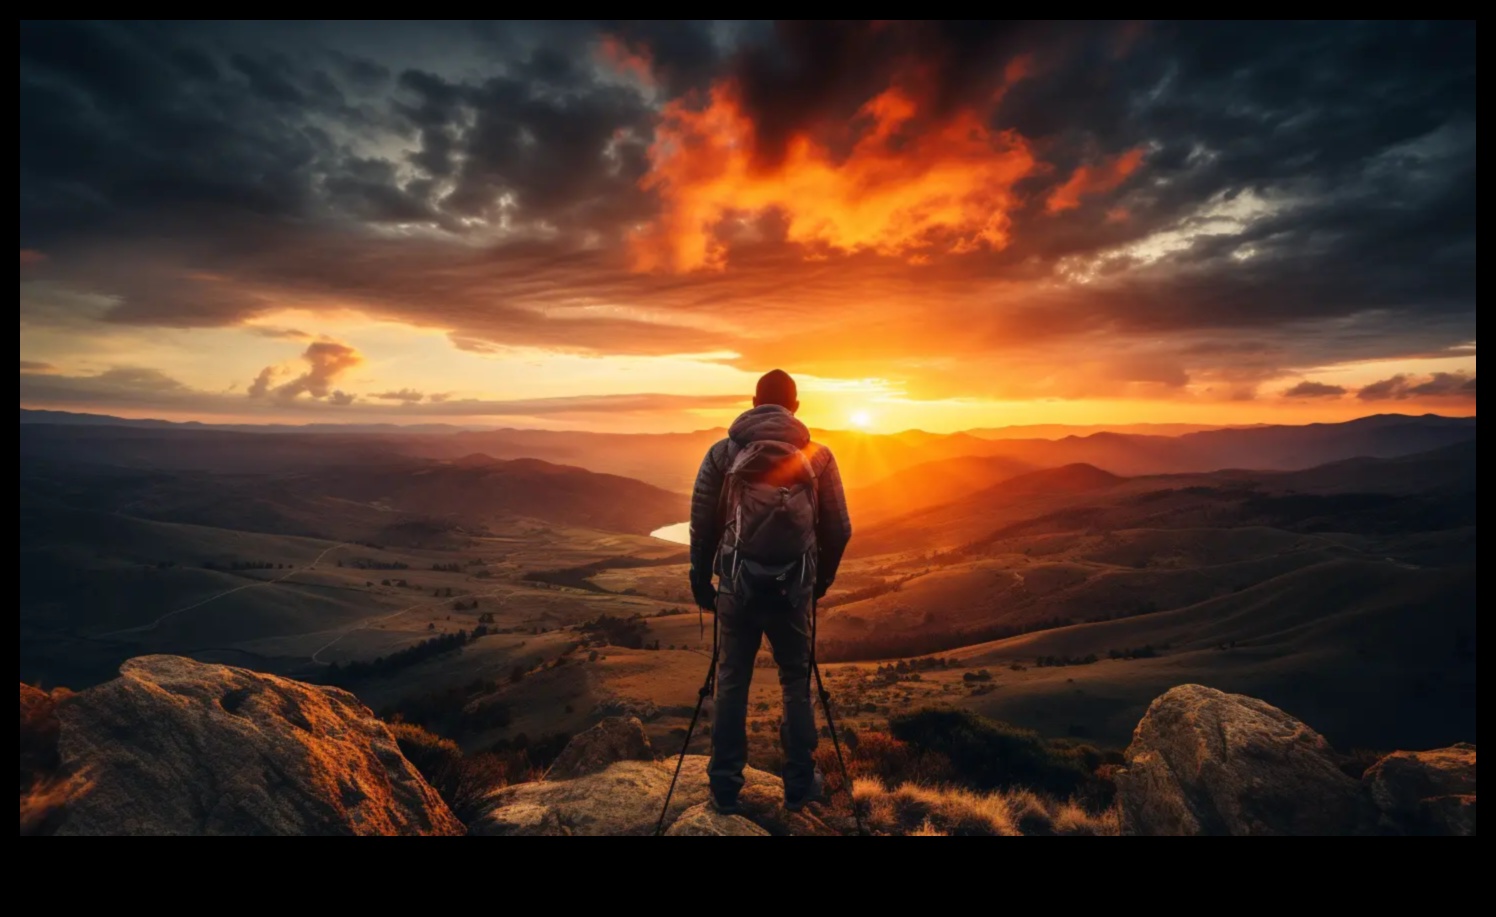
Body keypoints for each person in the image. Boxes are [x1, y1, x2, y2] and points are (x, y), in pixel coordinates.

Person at [688, 368, 852, 814]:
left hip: (736, 589)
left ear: (754, 402)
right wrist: (817, 583)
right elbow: (839, 529)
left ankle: (724, 786)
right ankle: (800, 785)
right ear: (795, 407)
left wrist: (701, 580)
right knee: (796, 683)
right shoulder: (818, 457)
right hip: (793, 592)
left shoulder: (723, 454)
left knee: (731, 682)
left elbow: (702, 526)